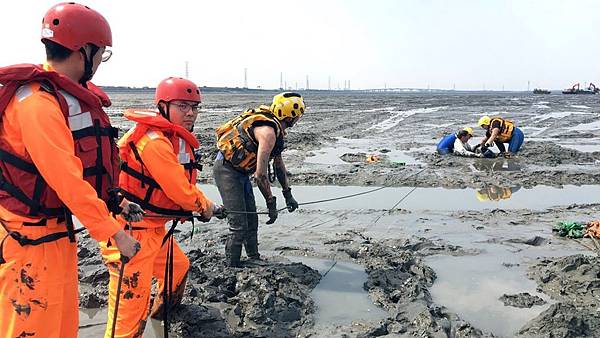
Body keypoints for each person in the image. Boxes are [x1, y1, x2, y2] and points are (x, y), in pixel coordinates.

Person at [0, 3, 141, 337]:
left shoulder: (60, 97)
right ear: (83, 51)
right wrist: (115, 233)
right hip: (29, 242)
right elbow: (66, 179)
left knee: (63, 327)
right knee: (32, 327)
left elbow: (83, 167)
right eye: (101, 53)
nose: (99, 62)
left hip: (55, 235)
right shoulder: (36, 103)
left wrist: (114, 201)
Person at [101, 77, 222, 337]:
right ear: (163, 106)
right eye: (182, 105)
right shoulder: (154, 142)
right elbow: (179, 191)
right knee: (129, 315)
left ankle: (161, 316)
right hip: (130, 233)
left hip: (153, 229)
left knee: (178, 268)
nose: (190, 113)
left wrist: (204, 203)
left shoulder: (172, 138)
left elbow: (183, 184)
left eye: (195, 106)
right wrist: (204, 206)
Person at [214, 92, 304, 267]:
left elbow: (279, 166)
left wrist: (288, 194)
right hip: (226, 170)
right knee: (238, 222)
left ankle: (253, 258)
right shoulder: (268, 133)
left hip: (241, 172)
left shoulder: (275, 129)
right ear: (292, 117)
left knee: (252, 218)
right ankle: (232, 265)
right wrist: (271, 204)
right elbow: (260, 175)